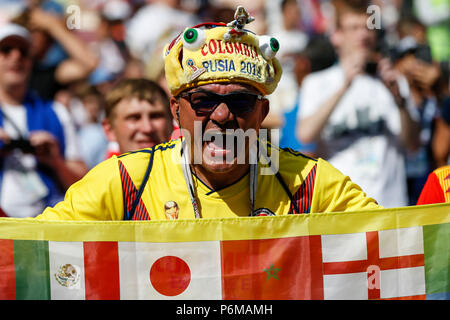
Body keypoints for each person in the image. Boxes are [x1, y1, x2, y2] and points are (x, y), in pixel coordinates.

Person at [36, 6, 381, 221]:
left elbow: (402, 238)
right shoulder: (126, 179)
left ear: (262, 112)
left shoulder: (307, 181)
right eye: (202, 100)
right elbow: (32, 249)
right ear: (176, 110)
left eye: (241, 102)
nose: (221, 115)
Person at [296, 1, 420, 208]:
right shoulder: (317, 82)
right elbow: (305, 134)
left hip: (389, 207)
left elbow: (413, 145)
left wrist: (399, 99)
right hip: (340, 209)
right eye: (354, 28)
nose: (363, 35)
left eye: (368, 28)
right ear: (336, 36)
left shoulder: (394, 82)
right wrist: (345, 85)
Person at [0, 23, 88, 218]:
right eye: (6, 50)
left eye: (23, 52)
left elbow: (85, 188)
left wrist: (55, 161)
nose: (16, 57)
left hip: (45, 230)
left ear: (32, 61)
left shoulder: (56, 112)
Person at [102, 78, 174, 155]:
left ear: (171, 121)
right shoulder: (102, 167)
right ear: (110, 130)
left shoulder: (186, 165)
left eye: (155, 116)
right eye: (134, 118)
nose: (147, 128)